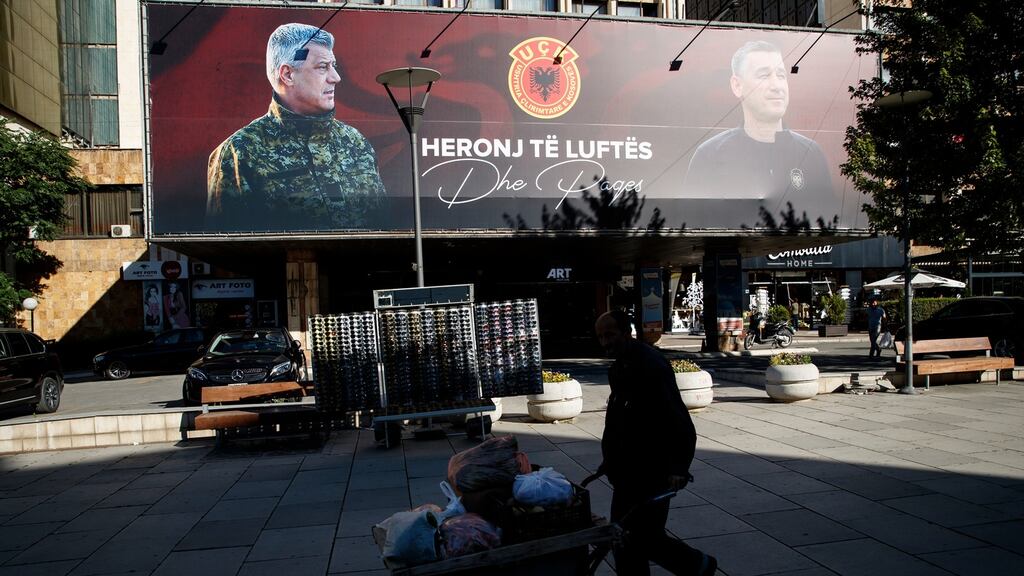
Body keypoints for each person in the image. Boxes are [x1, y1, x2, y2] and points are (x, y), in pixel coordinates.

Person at [207, 23, 385, 231]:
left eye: (333, 65)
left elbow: (384, 226)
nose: (335, 77)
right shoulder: (240, 152)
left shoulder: (355, 142)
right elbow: (227, 249)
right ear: (288, 74)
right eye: (322, 67)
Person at [588, 310, 717, 576]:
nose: (605, 342)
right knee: (627, 538)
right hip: (627, 471)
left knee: (639, 538)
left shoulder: (650, 365)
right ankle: (697, 566)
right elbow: (620, 418)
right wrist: (610, 458)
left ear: (627, 332)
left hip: (650, 470)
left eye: (610, 335)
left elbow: (678, 420)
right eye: (600, 337)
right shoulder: (620, 366)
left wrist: (679, 467)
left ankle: (699, 565)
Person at [681, 41, 835, 222]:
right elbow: (690, 224)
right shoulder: (709, 155)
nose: (776, 85)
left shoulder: (811, 153)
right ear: (737, 86)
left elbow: (830, 224)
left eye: (781, 75)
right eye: (764, 76)